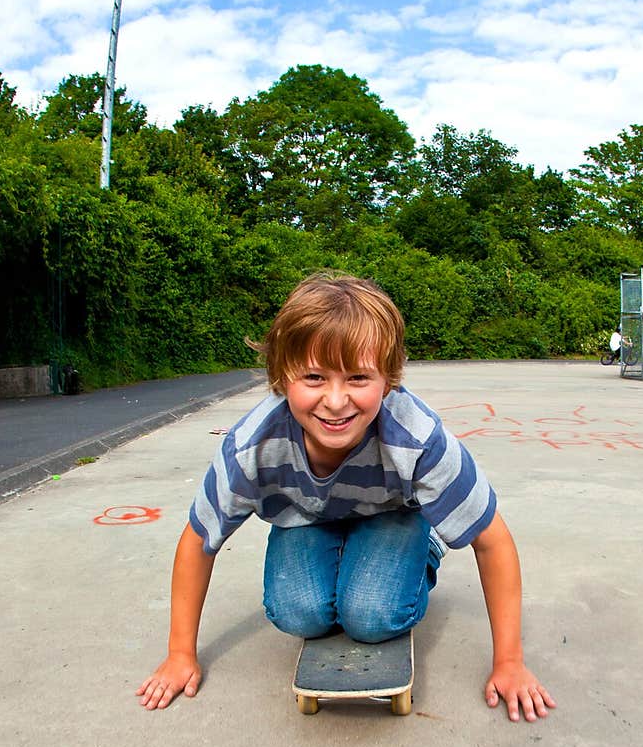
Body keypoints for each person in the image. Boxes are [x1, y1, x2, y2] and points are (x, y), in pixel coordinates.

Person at [137, 273, 555, 722]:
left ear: (388, 379)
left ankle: (425, 547)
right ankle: (341, 552)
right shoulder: (252, 446)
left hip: (390, 515)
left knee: (371, 618)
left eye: (358, 377)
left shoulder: (416, 438)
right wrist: (181, 653)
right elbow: (199, 540)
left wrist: (509, 662)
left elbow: (492, 539)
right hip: (306, 518)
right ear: (282, 377)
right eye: (314, 377)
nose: (336, 401)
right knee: (299, 615)